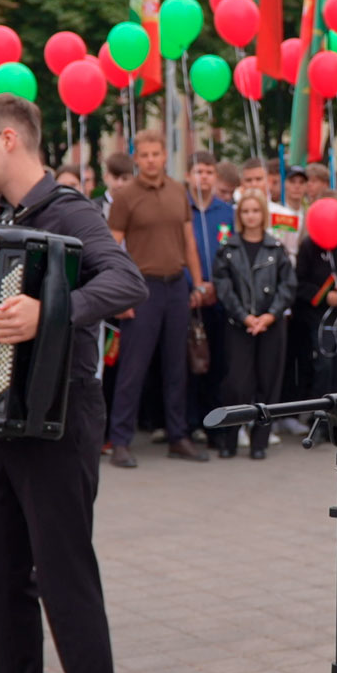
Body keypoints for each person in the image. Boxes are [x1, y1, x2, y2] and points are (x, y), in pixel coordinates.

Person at [0, 93, 146, 673]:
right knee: (3, 578)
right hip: (5, 422)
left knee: (64, 580)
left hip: (61, 417)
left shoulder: (67, 210)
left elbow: (126, 281)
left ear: (9, 138)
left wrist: (50, 311)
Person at [107, 129, 210, 468]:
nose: (151, 160)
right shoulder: (125, 197)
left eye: (156, 153)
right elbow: (111, 249)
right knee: (133, 367)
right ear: (136, 158)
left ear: (165, 156)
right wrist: (119, 296)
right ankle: (120, 440)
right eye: (145, 154)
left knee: (176, 366)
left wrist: (196, 283)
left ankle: (178, 436)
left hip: (176, 286)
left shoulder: (179, 191)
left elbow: (188, 240)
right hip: (142, 289)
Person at [212, 189, 296, 458]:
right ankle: (230, 439)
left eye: (255, 211)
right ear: (240, 215)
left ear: (263, 215)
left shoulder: (276, 248)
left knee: (267, 383)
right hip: (239, 326)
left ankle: (259, 442)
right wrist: (244, 316)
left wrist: (270, 315)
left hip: (271, 325)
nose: (251, 216)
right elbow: (223, 287)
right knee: (237, 384)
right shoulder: (228, 249)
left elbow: (288, 285)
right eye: (246, 211)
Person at [294, 192, 337, 425]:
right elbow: (299, 284)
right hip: (318, 317)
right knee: (322, 365)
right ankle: (319, 418)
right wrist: (324, 296)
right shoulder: (308, 247)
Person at [186, 150, 235, 441]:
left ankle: (214, 424)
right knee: (190, 363)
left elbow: (232, 256)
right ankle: (189, 423)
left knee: (219, 362)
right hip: (190, 298)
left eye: (208, 171)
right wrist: (194, 286)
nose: (203, 177)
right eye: (198, 171)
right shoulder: (182, 210)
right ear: (188, 176)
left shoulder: (227, 212)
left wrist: (218, 286)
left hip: (220, 299)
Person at [98, 151, 134, 221]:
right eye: (115, 178)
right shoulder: (94, 208)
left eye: (125, 179)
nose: (120, 184)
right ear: (106, 177)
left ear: (132, 179)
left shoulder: (138, 207)